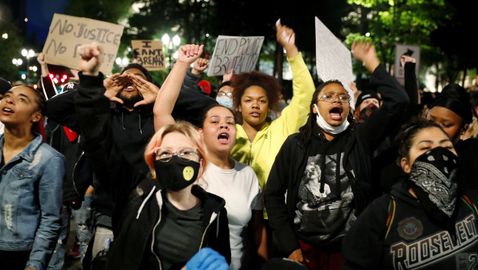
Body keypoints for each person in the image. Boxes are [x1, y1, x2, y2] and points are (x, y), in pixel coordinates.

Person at [75, 43, 230, 269]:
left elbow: (210, 108)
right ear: (153, 161)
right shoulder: (135, 196)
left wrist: (160, 93)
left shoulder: (216, 212)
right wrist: (91, 82)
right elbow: (96, 138)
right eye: (165, 153)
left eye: (185, 152)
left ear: (200, 158)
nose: (175, 159)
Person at [264, 41, 409, 270]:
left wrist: (372, 62)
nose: (336, 100)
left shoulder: (361, 138)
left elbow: (399, 101)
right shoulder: (296, 145)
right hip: (304, 248)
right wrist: (290, 245)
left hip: (349, 249)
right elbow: (272, 195)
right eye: (328, 96)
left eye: (343, 97)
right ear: (314, 108)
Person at [154, 44, 267, 269]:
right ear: (200, 132)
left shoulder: (247, 174)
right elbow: (162, 112)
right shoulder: (188, 164)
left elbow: (256, 233)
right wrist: (182, 63)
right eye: (214, 122)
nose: (223, 126)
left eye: (229, 123)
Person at [342, 119, 478, 269]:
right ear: (406, 165)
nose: (439, 153)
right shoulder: (381, 214)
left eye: (447, 146)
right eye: (426, 148)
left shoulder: (472, 201)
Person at [231, 20, 315, 192]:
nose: (255, 105)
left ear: (269, 107)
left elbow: (306, 94)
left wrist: (291, 50)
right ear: (238, 106)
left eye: (262, 101)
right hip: (232, 216)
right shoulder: (227, 134)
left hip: (273, 216)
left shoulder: (282, 128)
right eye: (248, 100)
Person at [0, 85, 65, 270]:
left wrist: (35, 264)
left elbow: (50, 219)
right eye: (7, 96)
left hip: (18, 254)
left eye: (22, 99)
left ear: (36, 117)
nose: (9, 100)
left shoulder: (49, 159)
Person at [427, 83, 478, 189]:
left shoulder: (473, 156)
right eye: (431, 120)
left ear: (463, 129)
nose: (435, 128)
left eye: (446, 125)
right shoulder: (412, 148)